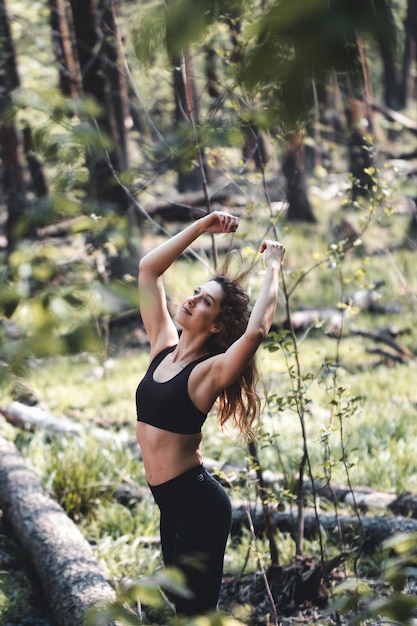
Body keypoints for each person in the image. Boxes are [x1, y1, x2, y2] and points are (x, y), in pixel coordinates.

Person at [135, 211, 285, 617]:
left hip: (198, 503)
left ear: (217, 326)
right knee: (186, 611)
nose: (191, 299)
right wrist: (200, 227)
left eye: (205, 302)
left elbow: (255, 332)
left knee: (194, 614)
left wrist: (273, 267)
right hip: (170, 503)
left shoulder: (207, 373)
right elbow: (149, 271)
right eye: (196, 292)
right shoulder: (163, 347)